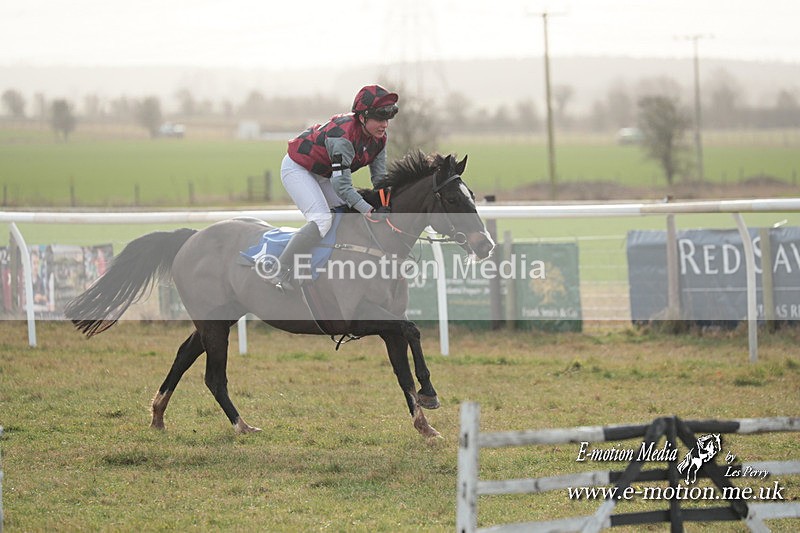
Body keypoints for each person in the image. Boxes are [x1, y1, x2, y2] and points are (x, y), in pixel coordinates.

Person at [266, 84, 399, 290]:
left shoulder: (379, 140)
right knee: (322, 220)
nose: (385, 125)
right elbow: (342, 184)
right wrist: (369, 210)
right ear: (362, 117)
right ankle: (280, 269)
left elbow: (380, 178)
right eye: (379, 119)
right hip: (298, 168)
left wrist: (386, 202)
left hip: (323, 173)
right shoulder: (343, 137)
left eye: (387, 119)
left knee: (345, 215)